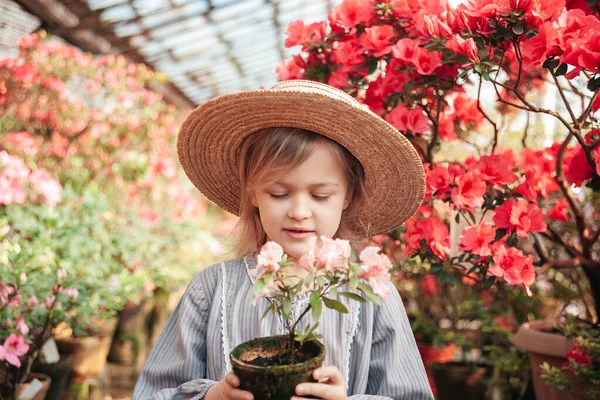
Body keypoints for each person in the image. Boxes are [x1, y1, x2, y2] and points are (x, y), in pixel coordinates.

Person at [132, 80, 434, 400]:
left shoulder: (373, 296)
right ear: (253, 193)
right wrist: (212, 396)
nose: (299, 212)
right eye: (279, 193)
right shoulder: (211, 289)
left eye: (320, 196)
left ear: (347, 196)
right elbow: (152, 393)